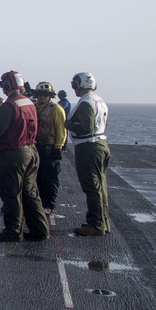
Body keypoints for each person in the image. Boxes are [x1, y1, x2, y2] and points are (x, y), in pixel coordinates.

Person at [0, 71, 48, 242]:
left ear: (7, 86)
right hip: (32, 150)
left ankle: (13, 231)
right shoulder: (29, 102)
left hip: (14, 153)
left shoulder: (10, 105)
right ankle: (40, 229)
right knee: (30, 192)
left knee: (11, 193)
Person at [66, 72, 111, 236]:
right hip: (100, 144)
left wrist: (69, 124)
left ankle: (95, 224)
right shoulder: (100, 101)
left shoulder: (86, 103)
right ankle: (102, 221)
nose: (74, 88)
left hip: (88, 147)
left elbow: (86, 127)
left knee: (91, 186)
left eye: (75, 85)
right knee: (100, 186)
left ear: (81, 84)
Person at [33, 82, 67, 213]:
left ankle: (49, 205)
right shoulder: (34, 107)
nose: (42, 97)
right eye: (40, 95)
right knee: (38, 177)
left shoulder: (56, 109)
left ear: (50, 96)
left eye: (45, 95)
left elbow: (61, 129)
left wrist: (58, 147)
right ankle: (39, 203)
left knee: (50, 178)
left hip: (50, 147)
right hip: (37, 146)